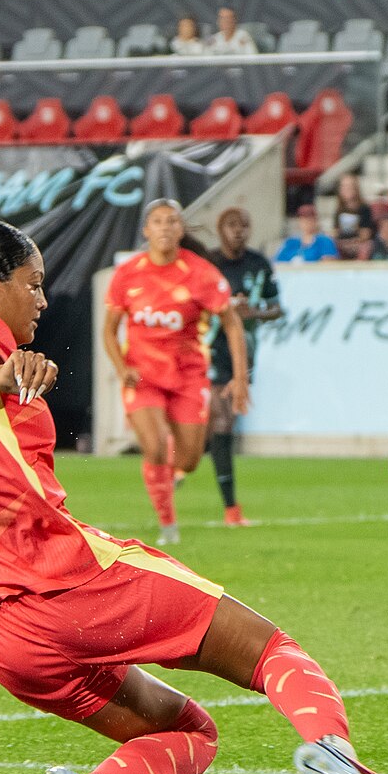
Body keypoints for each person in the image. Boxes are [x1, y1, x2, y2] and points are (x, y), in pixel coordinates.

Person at [0, 218, 388, 774]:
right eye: (32, 285)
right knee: (271, 652)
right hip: (67, 581)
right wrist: (3, 374)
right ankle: (333, 751)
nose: (41, 298)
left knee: (192, 733)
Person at [103, 199, 249, 544]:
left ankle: (165, 477)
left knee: (188, 459)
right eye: (157, 221)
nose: (165, 227)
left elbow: (232, 324)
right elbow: (109, 330)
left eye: (171, 221)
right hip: (142, 376)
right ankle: (168, 526)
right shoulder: (127, 274)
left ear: (180, 229)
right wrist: (121, 368)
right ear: (146, 231)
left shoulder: (201, 273)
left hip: (188, 377)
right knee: (155, 447)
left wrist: (240, 377)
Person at [206, 208, 281, 526]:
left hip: (239, 354)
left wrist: (254, 312)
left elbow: (276, 308)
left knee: (222, 423)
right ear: (220, 229)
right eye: (232, 225)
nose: (238, 231)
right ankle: (230, 508)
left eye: (244, 225)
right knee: (218, 422)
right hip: (203, 349)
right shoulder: (207, 265)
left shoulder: (258, 264)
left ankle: (230, 509)